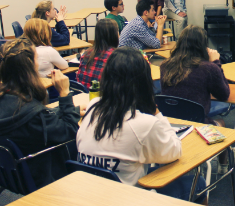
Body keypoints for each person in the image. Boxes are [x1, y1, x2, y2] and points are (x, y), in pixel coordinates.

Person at [76, 47, 206, 203]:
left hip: (89, 196)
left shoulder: (93, 106)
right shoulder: (144, 124)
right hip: (129, 199)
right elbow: (175, 151)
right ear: (143, 83)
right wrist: (155, 111)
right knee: (198, 183)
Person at [0, 37, 82, 189]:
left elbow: (35, 123)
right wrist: (64, 95)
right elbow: (70, 131)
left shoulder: (10, 101)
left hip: (12, 178)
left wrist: (60, 111)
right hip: (43, 178)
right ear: (31, 65)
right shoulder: (34, 114)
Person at [160, 25, 235, 174]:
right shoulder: (209, 68)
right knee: (221, 123)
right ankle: (224, 165)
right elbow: (224, 95)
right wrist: (216, 62)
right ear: (203, 45)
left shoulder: (165, 65)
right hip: (198, 127)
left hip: (171, 125)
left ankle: (227, 158)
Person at [76, 19, 119, 89]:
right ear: (114, 34)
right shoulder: (116, 56)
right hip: (102, 96)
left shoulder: (86, 53)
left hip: (83, 95)